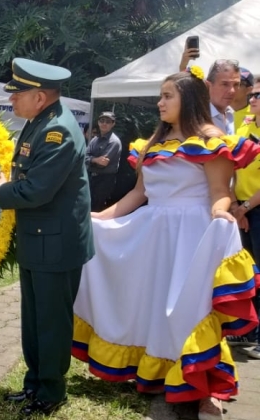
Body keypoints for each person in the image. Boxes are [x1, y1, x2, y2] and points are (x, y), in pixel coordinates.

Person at [73, 70, 258, 420]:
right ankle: (159, 373)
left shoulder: (211, 139)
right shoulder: (152, 144)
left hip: (193, 235)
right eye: (161, 95)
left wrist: (222, 215)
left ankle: (209, 392)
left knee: (195, 309)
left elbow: (220, 194)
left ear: (187, 100)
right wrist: (100, 217)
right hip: (153, 232)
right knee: (151, 303)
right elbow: (138, 194)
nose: (160, 102)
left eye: (167, 95)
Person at [0, 58, 93, 416]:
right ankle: (34, 383)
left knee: (52, 322)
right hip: (39, 239)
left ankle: (52, 391)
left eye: (18, 94)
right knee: (34, 319)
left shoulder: (57, 130)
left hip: (54, 243)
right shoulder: (38, 124)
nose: (11, 100)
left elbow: (36, 190)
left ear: (40, 97)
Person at [230, 81, 260, 360]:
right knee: (249, 271)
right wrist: (238, 207)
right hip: (244, 209)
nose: (252, 98)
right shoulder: (245, 122)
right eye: (252, 93)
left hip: (254, 207)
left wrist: (245, 207)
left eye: (258, 95)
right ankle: (248, 330)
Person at [85, 111, 122, 211]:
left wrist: (91, 159)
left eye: (108, 121)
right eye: (102, 120)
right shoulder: (94, 140)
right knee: (87, 205)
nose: (104, 123)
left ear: (113, 124)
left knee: (97, 208)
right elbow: (84, 157)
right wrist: (95, 159)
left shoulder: (114, 142)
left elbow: (102, 164)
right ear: (98, 122)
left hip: (104, 180)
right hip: (92, 177)